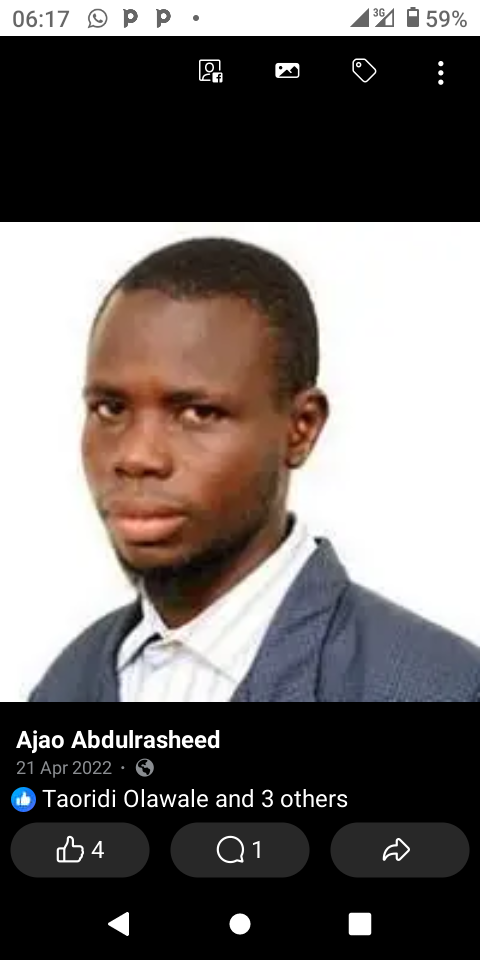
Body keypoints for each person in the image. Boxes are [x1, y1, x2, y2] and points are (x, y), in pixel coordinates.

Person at [29, 237, 480, 702]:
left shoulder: (443, 687)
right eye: (110, 408)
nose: (137, 456)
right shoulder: (67, 683)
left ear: (301, 429)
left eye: (198, 413)